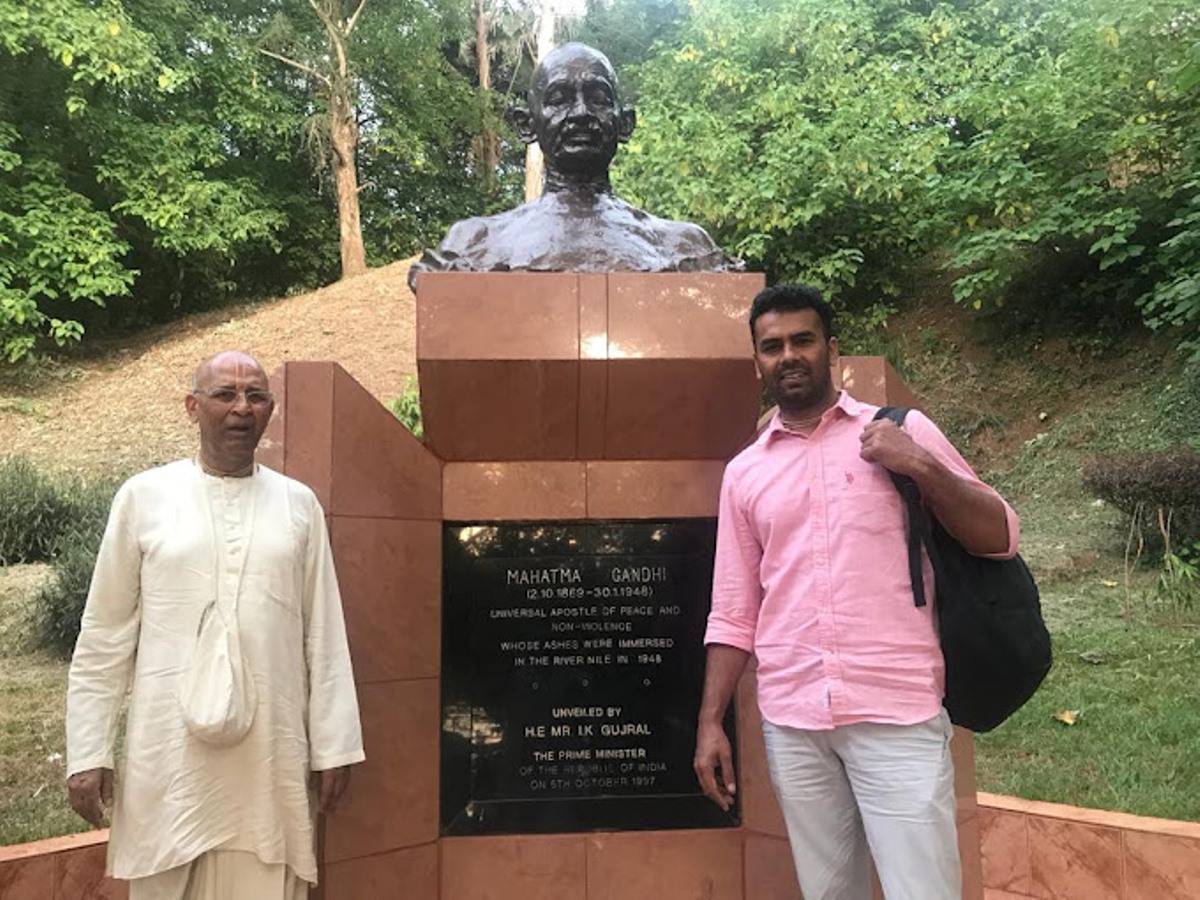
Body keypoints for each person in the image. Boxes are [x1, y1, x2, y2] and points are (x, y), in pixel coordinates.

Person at [693, 284, 1020, 900]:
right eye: (772, 346)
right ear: (757, 363)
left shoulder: (901, 431)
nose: (788, 356)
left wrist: (919, 465)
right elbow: (734, 611)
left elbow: (1000, 535)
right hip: (794, 721)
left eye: (802, 340)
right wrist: (711, 722)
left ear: (832, 349)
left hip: (895, 711)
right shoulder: (745, 473)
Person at [65, 350, 364, 900]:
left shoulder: (299, 506)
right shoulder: (143, 498)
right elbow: (104, 634)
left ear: (270, 411)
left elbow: (323, 633)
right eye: (225, 395)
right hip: (168, 754)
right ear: (192, 406)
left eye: (256, 396)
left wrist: (334, 745)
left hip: (268, 756)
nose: (241, 409)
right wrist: (88, 754)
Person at [409, 42, 736, 289]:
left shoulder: (686, 247)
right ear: (526, 124)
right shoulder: (471, 246)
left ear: (625, 123)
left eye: (598, 97)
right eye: (559, 98)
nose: (580, 113)